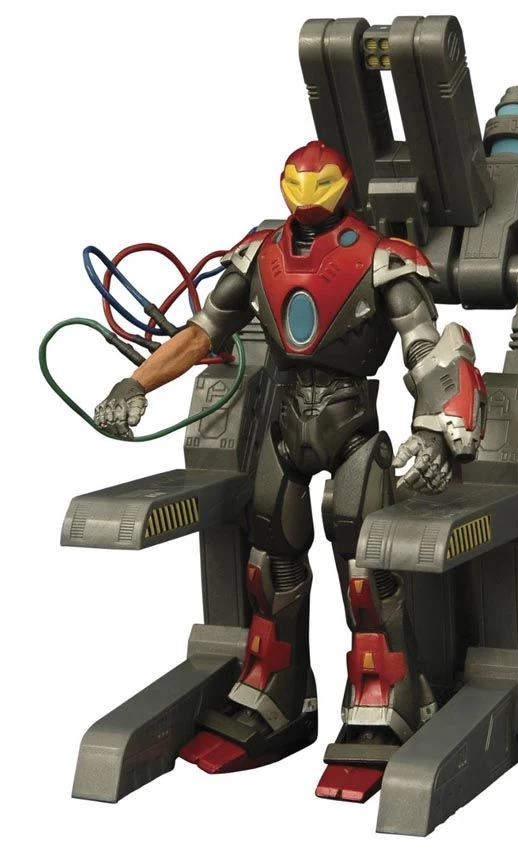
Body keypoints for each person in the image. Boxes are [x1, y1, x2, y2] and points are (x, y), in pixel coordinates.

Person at [94, 140, 486, 799]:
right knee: (268, 565)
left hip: (351, 429)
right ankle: (274, 691)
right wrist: (135, 384)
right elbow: (201, 333)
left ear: (343, 184)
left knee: (367, 569)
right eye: (297, 181)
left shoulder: (382, 257)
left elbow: (431, 349)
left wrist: (435, 432)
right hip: (282, 430)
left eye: (320, 181)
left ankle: (383, 699)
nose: (307, 194)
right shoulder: (258, 254)